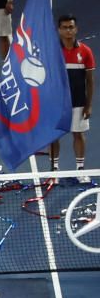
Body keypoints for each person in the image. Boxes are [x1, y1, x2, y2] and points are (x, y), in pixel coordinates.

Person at [50, 14, 94, 182]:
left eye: (71, 27)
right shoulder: (53, 51)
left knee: (78, 134)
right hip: (56, 104)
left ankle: (80, 169)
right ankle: (54, 169)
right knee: (54, 136)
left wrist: (88, 105)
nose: (68, 30)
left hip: (78, 102)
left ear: (76, 29)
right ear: (59, 30)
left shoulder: (85, 51)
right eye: (65, 27)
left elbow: (90, 81)